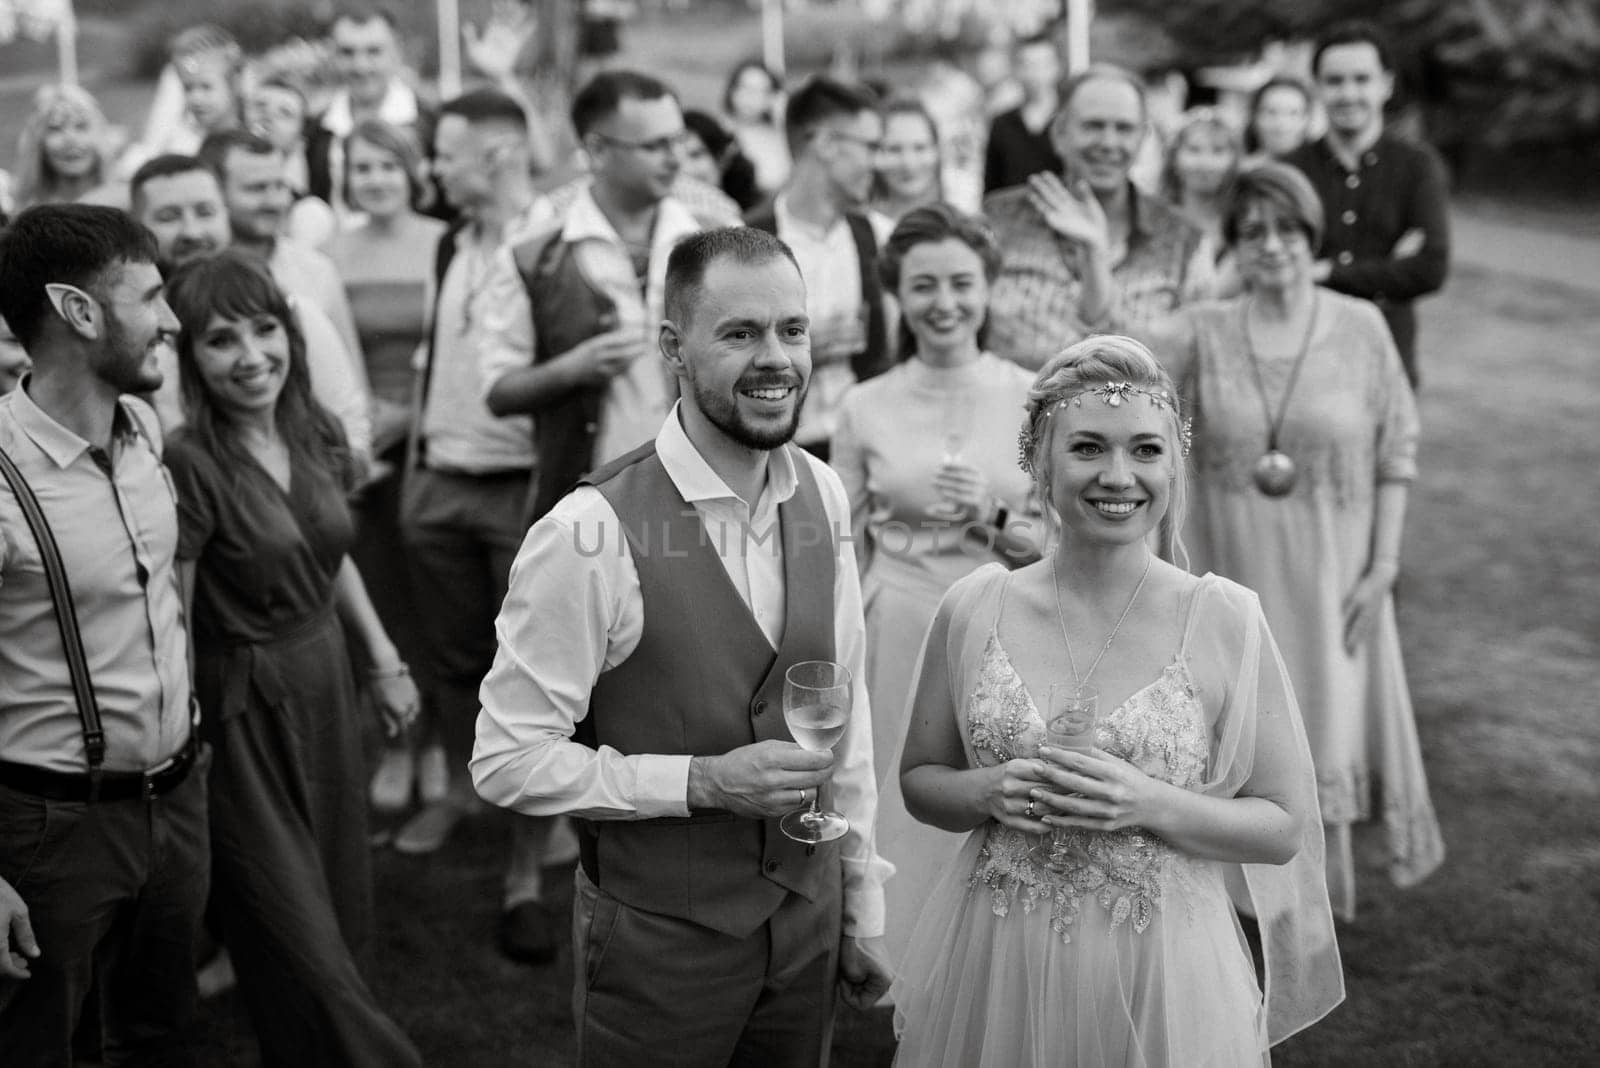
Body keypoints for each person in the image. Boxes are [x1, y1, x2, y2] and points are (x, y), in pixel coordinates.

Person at [472, 226, 893, 1066]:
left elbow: (845, 712)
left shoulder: (823, 491)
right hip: (660, 945)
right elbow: (505, 759)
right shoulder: (588, 531)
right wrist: (700, 783)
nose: (776, 358)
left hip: (805, 926)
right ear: (674, 346)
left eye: (792, 330)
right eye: (739, 334)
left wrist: (861, 907)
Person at [890, 334, 1344, 1065]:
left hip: (1162, 965)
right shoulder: (975, 605)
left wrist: (1147, 803)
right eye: (1088, 448)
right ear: (1040, 461)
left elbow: (1284, 825)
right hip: (998, 954)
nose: (1118, 476)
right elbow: (920, 782)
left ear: (1174, 462)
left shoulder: (1222, 616)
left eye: (1145, 450)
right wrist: (990, 788)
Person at [1154, 161, 1445, 921]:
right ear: (1234, 246)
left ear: (1311, 235)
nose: (1272, 246)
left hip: (1335, 577)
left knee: (1324, 723)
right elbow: (1155, 437)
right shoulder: (1201, 333)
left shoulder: (1361, 325)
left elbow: (1397, 452)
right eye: (1252, 232)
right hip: (1235, 576)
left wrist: (1383, 566)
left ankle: (1314, 901)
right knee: (1236, 734)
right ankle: (1236, 907)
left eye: (1287, 230)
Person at [161, 250, 421, 1066]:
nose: (250, 357)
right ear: (190, 359)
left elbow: (327, 549)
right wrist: (177, 727)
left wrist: (383, 658)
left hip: (325, 682)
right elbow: (172, 605)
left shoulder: (313, 429)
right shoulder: (188, 459)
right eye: (220, 340)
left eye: (264, 330)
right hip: (238, 704)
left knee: (340, 903)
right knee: (287, 918)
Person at [0, 204, 207, 1065]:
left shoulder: (145, 429)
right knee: (43, 1044)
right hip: (51, 829)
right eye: (150, 296)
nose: (172, 320)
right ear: (79, 312)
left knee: (158, 1032)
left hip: (176, 801)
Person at [830, 204, 1043, 964]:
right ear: (898, 293)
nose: (944, 303)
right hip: (904, 628)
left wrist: (989, 517)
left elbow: (1061, 542)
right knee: (903, 793)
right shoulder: (864, 404)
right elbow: (841, 544)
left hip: (1011, 630)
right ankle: (901, 953)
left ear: (989, 286)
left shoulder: (1032, 395)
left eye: (961, 282)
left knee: (1001, 796)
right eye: (924, 285)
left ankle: (993, 960)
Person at [398, 89, 570, 961]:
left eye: (447, 153)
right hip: (439, 482)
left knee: (537, 679)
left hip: (522, 488)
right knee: (456, 662)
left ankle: (526, 875)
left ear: (498, 155)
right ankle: (475, 798)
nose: (433, 167)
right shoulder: (447, 244)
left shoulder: (554, 241)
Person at [327, 118, 448, 814]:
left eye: (386, 167)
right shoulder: (331, 251)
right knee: (379, 592)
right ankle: (395, 739)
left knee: (429, 592)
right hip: (360, 446)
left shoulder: (441, 242)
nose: (374, 180)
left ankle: (433, 739)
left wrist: (409, 414)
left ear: (411, 172)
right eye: (361, 168)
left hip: (428, 441)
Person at [129, 153, 372, 456]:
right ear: (137, 225)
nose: (191, 231)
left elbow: (349, 426)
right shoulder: (130, 327)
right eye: (168, 217)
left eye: (205, 212)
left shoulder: (290, 310)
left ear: (226, 213)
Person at [985, 64, 1212, 370]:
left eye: (1124, 128)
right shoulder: (997, 222)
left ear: (1144, 137)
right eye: (1093, 126)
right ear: (1060, 134)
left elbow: (1195, 363)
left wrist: (1095, 255)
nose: (1108, 143)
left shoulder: (1184, 240)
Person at [1286, 21, 1450, 388]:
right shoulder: (1290, 171)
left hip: (1387, 365)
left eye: (1361, 79)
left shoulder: (1418, 167)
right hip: (1300, 362)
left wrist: (1327, 272)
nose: (1348, 93)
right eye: (1335, 81)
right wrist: (1387, 272)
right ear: (1317, 87)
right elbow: (1279, 268)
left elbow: (1431, 268)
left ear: (1386, 85)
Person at [746, 76, 894, 462]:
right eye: (870, 147)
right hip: (774, 450)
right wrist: (798, 348)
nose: (879, 163)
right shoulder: (743, 242)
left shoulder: (877, 235)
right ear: (826, 143)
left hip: (866, 449)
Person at [197, 129, 367, 368]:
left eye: (280, 186)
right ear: (214, 191)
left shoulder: (316, 269)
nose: (274, 201)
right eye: (256, 188)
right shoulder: (193, 272)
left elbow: (350, 376)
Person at [308, 5, 437, 217]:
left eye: (374, 51)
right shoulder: (317, 129)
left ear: (397, 50)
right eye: (347, 53)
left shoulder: (431, 124)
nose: (361, 66)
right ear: (332, 54)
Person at [246, 76, 336, 248]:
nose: (268, 116)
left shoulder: (308, 213)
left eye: (285, 112)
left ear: (300, 141)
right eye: (260, 106)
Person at [10, 85, 127, 211]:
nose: (70, 139)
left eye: (81, 126)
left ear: (101, 135)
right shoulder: (22, 210)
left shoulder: (129, 201)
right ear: (37, 143)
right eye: (55, 128)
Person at [982, 34, 1063, 194]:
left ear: (1057, 67)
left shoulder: (1069, 121)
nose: (1034, 74)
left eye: (1042, 65)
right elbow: (991, 186)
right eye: (1027, 65)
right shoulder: (1001, 124)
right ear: (1015, 69)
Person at [723, 60, 790, 197]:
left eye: (760, 91)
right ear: (732, 91)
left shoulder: (781, 133)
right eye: (746, 88)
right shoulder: (722, 132)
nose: (750, 97)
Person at [871, 98, 944, 222]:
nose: (909, 164)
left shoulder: (962, 227)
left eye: (920, 148)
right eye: (895, 149)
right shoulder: (854, 232)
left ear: (937, 151)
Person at [680, 109, 762, 212]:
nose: (686, 169)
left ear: (721, 156)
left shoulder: (763, 207)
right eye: (677, 161)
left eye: (696, 155)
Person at [1246, 74, 1315, 161]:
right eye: (1271, 112)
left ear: (1306, 118)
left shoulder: (1325, 169)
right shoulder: (1240, 171)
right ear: (1254, 116)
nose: (1281, 123)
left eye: (1293, 113)